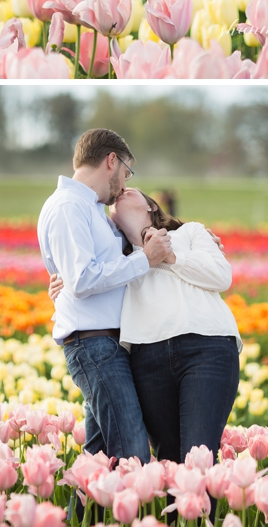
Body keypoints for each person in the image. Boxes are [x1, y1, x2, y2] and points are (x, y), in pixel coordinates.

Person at [53, 188, 241, 463]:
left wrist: (169, 256)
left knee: (198, 458)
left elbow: (221, 276)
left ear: (152, 206)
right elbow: (86, 278)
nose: (120, 194)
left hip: (207, 345)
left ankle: (199, 508)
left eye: (129, 191)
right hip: (147, 358)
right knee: (168, 460)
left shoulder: (189, 233)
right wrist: (63, 284)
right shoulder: (117, 257)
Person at [37, 129, 175, 465]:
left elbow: (80, 277)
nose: (125, 184)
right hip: (94, 345)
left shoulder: (89, 208)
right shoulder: (69, 206)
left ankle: (82, 517)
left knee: (98, 462)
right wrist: (145, 259)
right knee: (132, 456)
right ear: (111, 161)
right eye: (126, 172)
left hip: (104, 344)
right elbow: (82, 279)